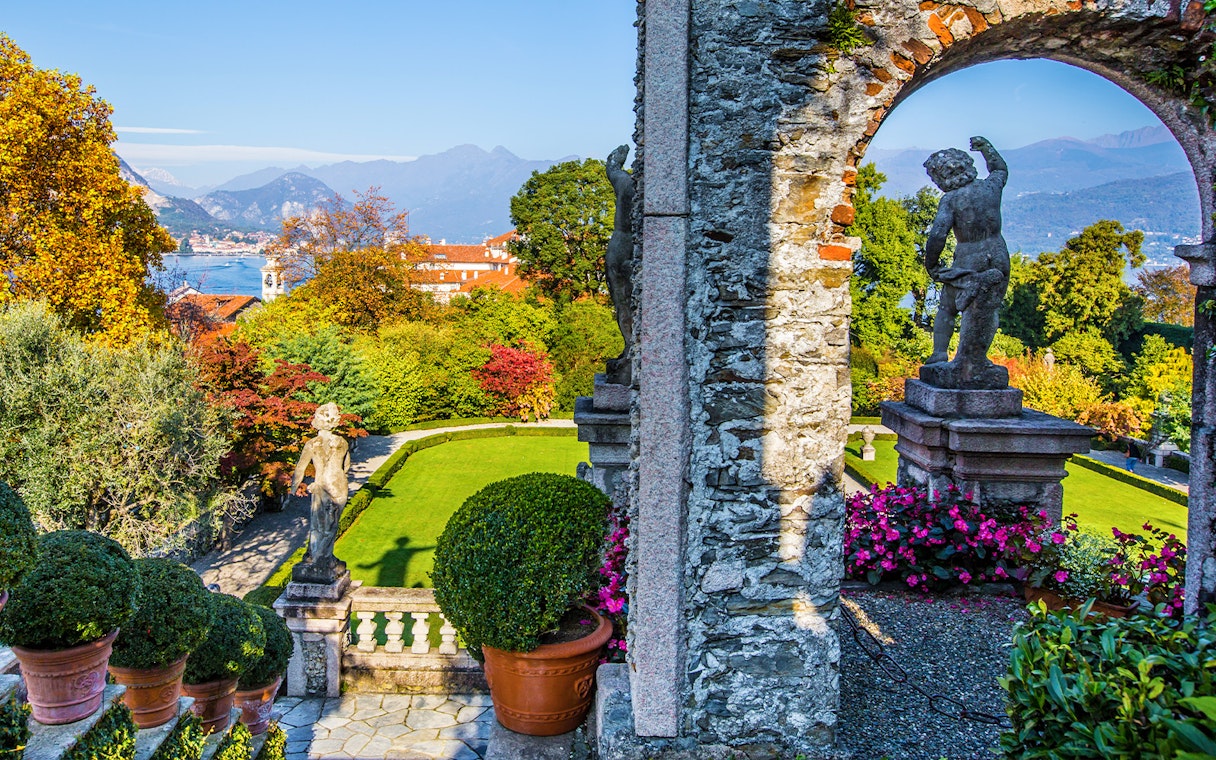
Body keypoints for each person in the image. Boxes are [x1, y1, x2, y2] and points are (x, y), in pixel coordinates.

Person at [922, 136, 1010, 387]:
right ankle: (977, 357)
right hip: (998, 254)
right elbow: (1000, 169)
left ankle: (941, 352)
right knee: (988, 308)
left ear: (941, 177)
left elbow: (938, 233)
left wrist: (932, 264)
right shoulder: (990, 188)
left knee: (948, 306)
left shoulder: (952, 200)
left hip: (968, 257)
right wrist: (987, 148)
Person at [290, 402, 351, 583]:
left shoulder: (312, 444)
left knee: (319, 524)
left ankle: (319, 559)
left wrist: (294, 488)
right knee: (331, 524)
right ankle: (322, 557)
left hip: (322, 484)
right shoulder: (342, 442)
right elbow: (346, 467)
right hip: (339, 485)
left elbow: (300, 468)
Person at [604, 144, 635, 386]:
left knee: (622, 301)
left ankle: (630, 346)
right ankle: (631, 347)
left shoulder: (627, 183)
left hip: (618, 247)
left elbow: (611, 168)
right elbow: (612, 169)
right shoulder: (633, 186)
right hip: (623, 247)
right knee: (624, 300)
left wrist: (615, 161)